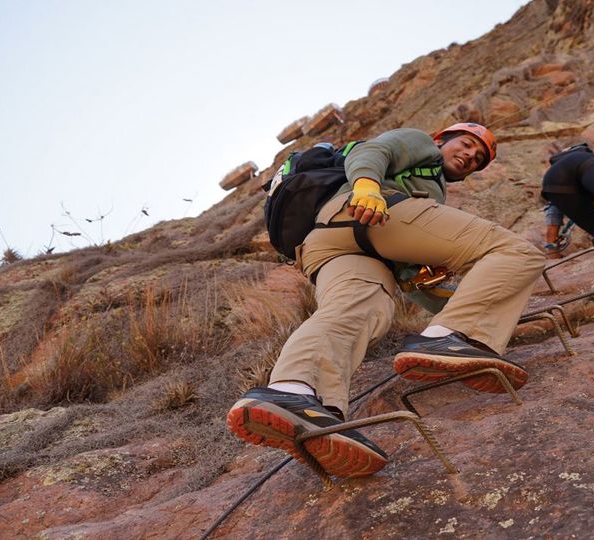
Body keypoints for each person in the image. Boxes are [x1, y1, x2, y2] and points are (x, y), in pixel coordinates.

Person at [227, 123, 545, 478]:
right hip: (372, 211)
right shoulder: (421, 142)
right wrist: (366, 186)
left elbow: (414, 287)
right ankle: (452, 339)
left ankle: (296, 395)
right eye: (468, 144)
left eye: (478, 159)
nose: (471, 156)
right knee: (515, 252)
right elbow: (373, 150)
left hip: (327, 240)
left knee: (359, 312)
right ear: (442, 139)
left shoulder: (428, 185)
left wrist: (466, 307)